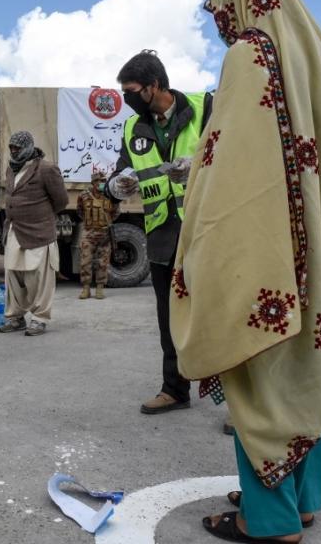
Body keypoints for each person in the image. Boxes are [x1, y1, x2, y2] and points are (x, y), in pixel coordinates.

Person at [171, 0, 321, 542]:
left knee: (262, 377)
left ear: (243, 0)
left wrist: (203, 243)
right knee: (305, 371)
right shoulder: (312, 58)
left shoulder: (250, 54)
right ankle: (301, 499)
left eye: (220, 10)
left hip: (268, 248)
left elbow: (230, 167)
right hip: (320, 248)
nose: (220, 24)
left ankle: (269, 519)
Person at [105, 50, 212, 415]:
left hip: (206, 229)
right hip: (162, 234)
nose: (128, 99)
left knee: (220, 314)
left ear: (154, 85)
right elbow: (121, 172)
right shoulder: (132, 128)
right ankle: (175, 389)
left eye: (132, 91)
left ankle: (241, 401)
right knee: (170, 319)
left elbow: (234, 153)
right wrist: (116, 185)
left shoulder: (204, 107)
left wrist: (197, 164)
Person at [0, 131, 68, 336]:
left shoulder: (46, 169)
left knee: (38, 277)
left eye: (17, 148)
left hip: (39, 232)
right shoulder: (11, 169)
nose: (13, 151)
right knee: (13, 275)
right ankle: (15, 317)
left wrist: (41, 216)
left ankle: (39, 319)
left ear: (28, 147)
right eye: (11, 147)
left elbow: (61, 201)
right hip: (15, 231)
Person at [76, 170, 119, 300]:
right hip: (89, 233)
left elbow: (116, 212)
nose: (101, 183)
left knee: (103, 262)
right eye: (99, 181)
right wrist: (90, 222)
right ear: (93, 183)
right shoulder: (83, 195)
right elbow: (80, 211)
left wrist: (104, 222)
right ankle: (86, 289)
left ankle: (100, 288)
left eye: (103, 181)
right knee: (85, 261)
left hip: (104, 233)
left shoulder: (110, 196)